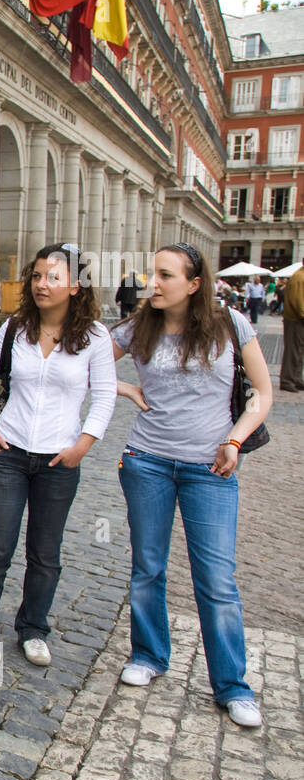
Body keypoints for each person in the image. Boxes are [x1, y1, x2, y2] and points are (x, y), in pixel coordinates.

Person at [111, 243, 273, 728]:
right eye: (151, 275)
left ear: (194, 283)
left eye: (164, 275)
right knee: (147, 568)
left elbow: (263, 393)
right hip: (148, 462)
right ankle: (148, 655)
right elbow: (76, 362)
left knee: (217, 581)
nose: (153, 284)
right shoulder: (137, 327)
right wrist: (120, 386)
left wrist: (236, 440)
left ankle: (232, 686)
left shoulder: (231, 325)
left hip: (212, 467)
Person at [0, 243, 117, 668]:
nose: (41, 284)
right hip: (8, 451)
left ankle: (33, 629)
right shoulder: (16, 327)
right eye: (37, 276)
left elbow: (104, 395)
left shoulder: (94, 337)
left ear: (75, 285)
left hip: (59, 459)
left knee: (45, 552)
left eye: (53, 277)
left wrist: (82, 445)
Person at [284, 261, 304, 392]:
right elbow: (299, 302)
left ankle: (296, 379)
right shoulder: (299, 278)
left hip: (298, 319)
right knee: (293, 351)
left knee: (299, 350)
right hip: (296, 320)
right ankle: (287, 380)